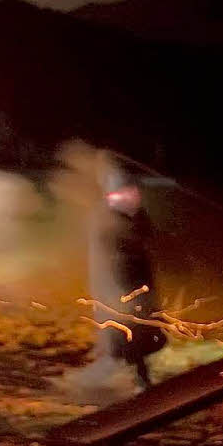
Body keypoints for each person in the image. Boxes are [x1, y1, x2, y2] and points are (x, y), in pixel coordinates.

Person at [83, 152, 165, 390]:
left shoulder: (132, 216)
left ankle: (139, 376)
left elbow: (146, 234)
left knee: (145, 331)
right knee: (132, 332)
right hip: (124, 283)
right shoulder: (106, 220)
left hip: (137, 279)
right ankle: (138, 380)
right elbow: (110, 253)